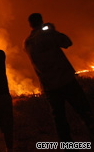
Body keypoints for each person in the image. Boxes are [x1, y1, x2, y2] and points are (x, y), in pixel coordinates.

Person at [24, 13, 94, 143]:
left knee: (60, 121)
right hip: (66, 80)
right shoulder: (48, 34)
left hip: (49, 87)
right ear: (42, 21)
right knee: (85, 112)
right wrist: (52, 30)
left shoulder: (28, 42)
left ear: (30, 25)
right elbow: (67, 42)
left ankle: (69, 148)